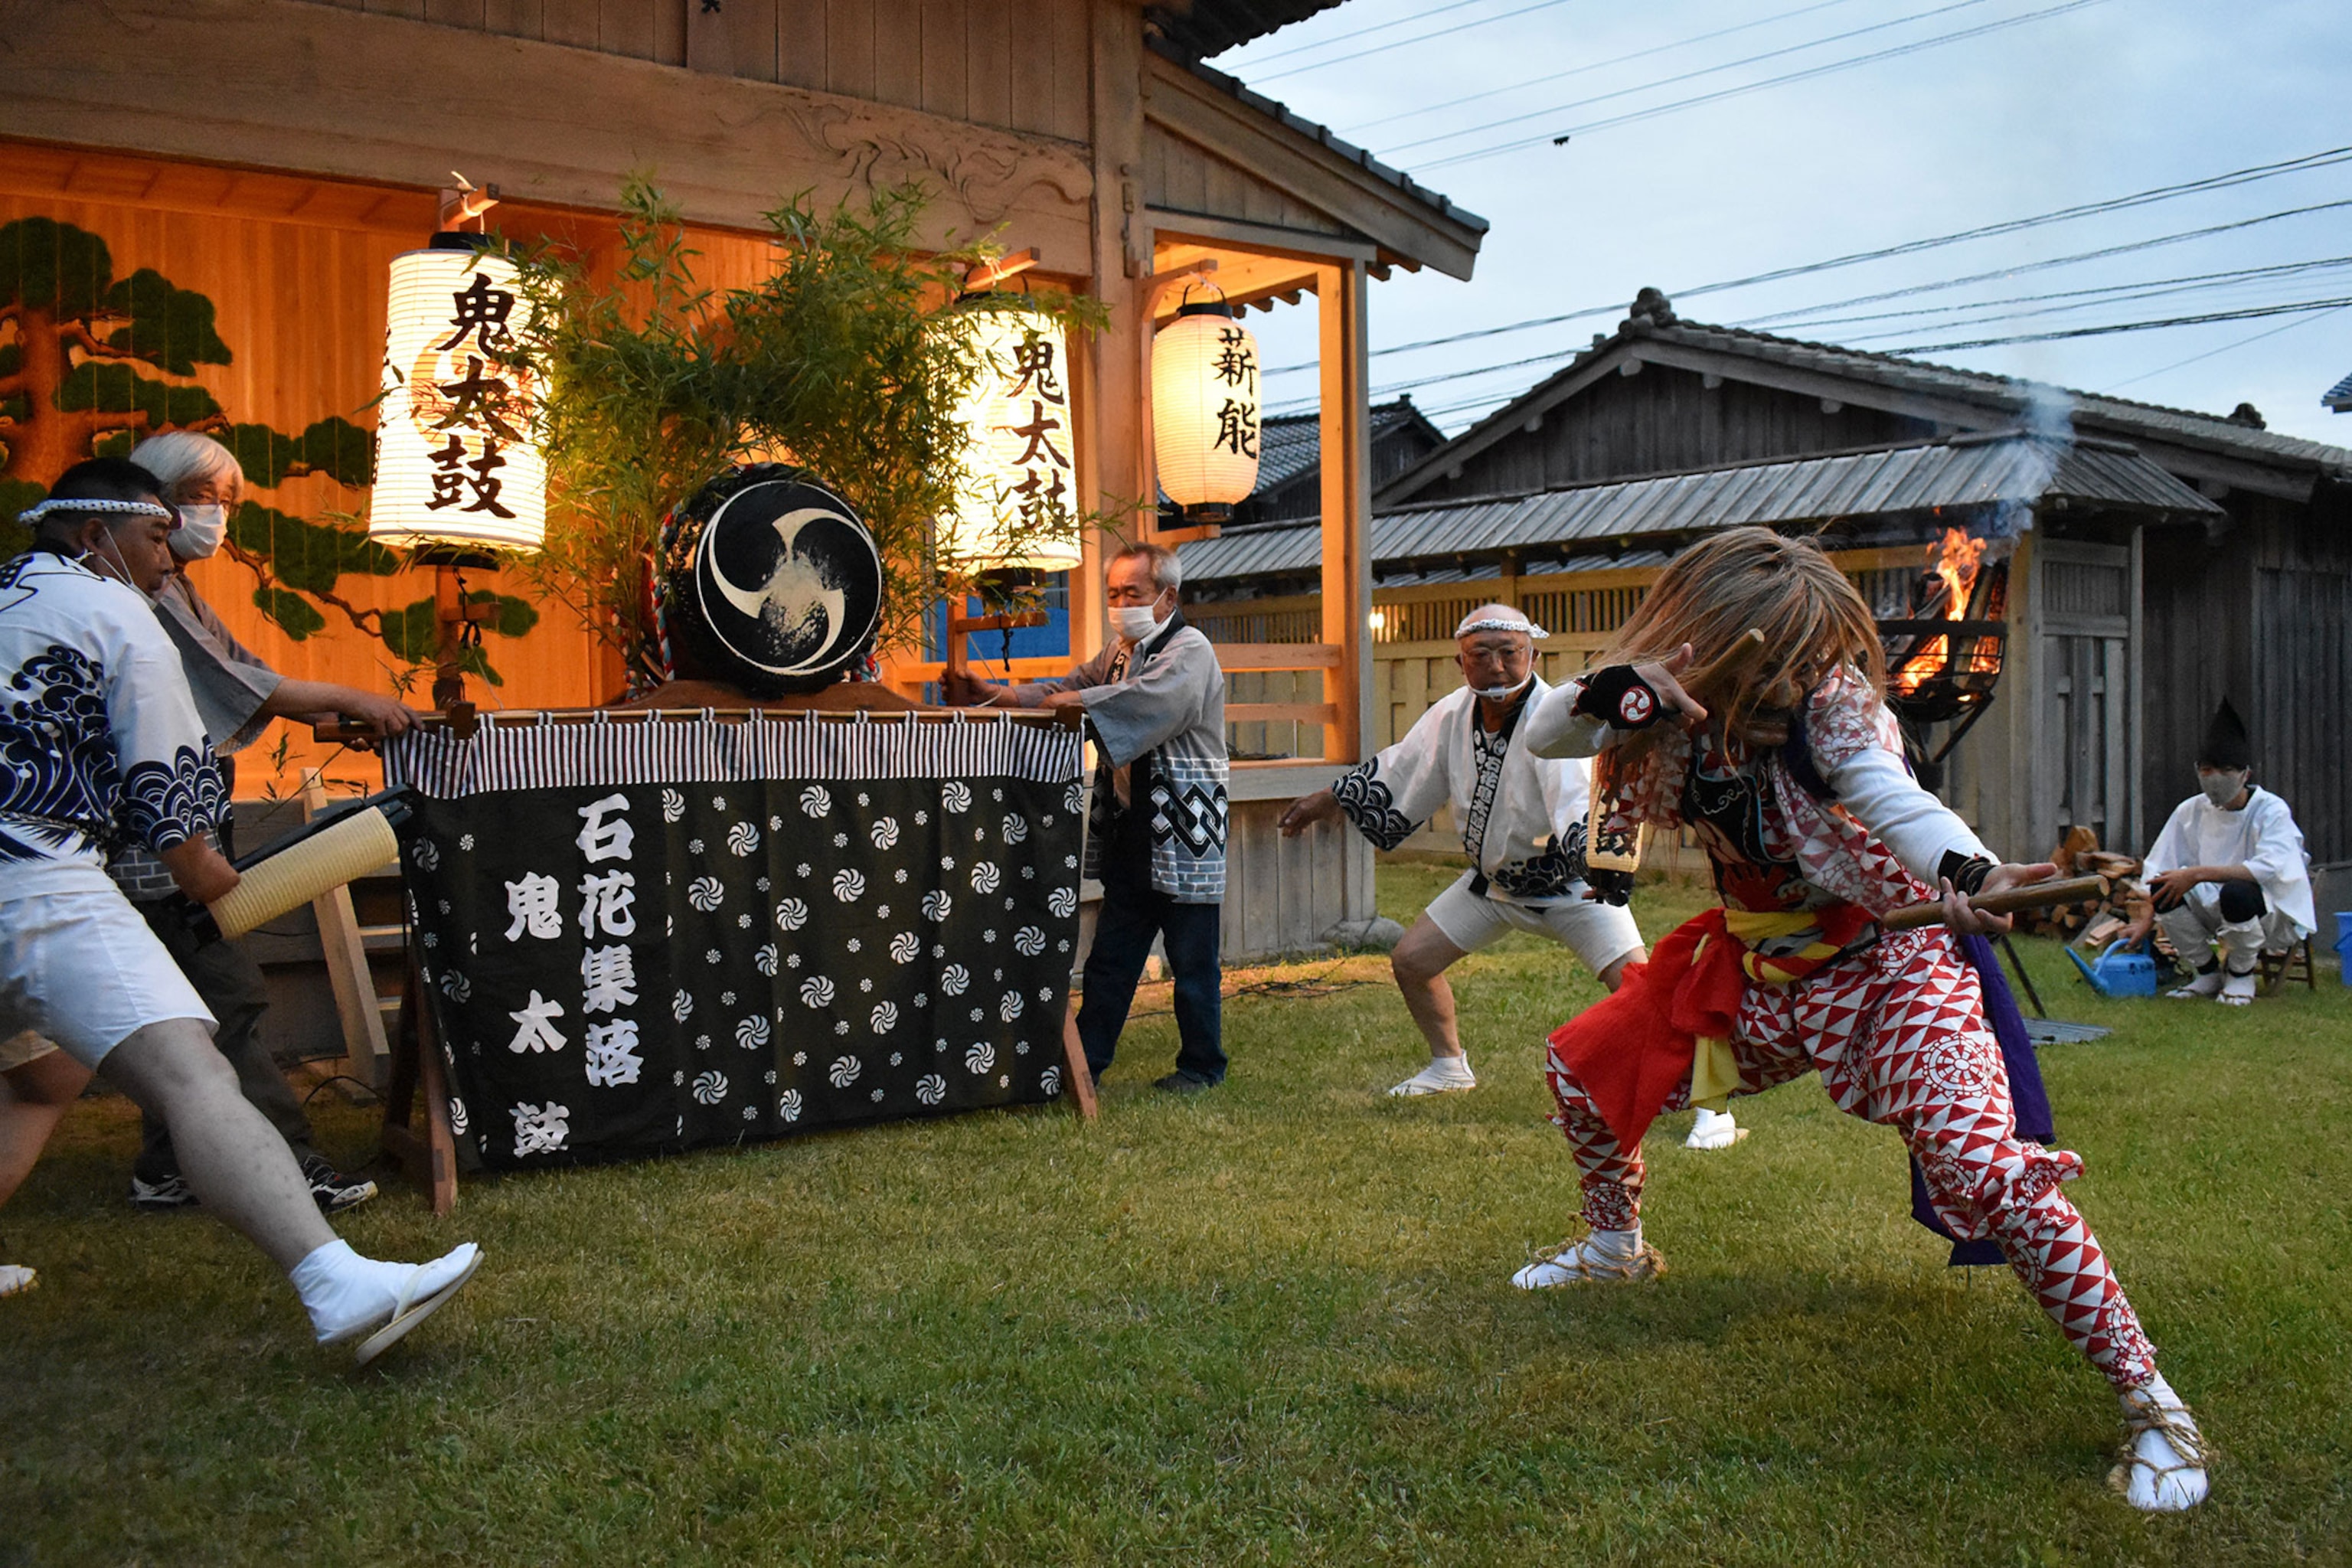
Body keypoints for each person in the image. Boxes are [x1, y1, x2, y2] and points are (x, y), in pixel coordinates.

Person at [1509, 528, 2207, 1512]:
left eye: (1808, 655)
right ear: (1708, 640)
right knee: (1585, 1070)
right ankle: (1614, 1245)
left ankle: (2155, 1404)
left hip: (1890, 963)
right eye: (1775, 659)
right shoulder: (1659, 700)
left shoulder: (1836, 708)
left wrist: (1975, 873)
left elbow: (1892, 796)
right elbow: (1548, 731)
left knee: (1991, 1172)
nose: (1796, 678)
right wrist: (1637, 688)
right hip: (1756, 966)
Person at [0, 459, 478, 1360]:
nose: (171, 557)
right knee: (195, 1074)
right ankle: (333, 1279)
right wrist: (218, 880)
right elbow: (171, 807)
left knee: (43, 1074)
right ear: (95, 529)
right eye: (156, 535)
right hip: (36, 873)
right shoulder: (119, 617)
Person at [1279, 606, 1745, 1144]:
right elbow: (1403, 764)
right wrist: (1330, 798)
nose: (1496, 666)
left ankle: (1714, 1109)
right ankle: (1448, 1065)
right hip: (1493, 885)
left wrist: (1596, 863)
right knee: (1412, 959)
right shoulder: (1452, 713)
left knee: (1641, 992)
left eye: (1509, 652)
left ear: (1533, 656)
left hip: (1572, 886)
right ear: (1461, 663)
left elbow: (1575, 797)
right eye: (1482, 654)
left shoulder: (1557, 721)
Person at [108, 432, 420, 1211]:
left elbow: (244, 676)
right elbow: (244, 684)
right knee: (229, 998)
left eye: (229, 504)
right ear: (149, 503)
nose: (218, 518)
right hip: (159, 843)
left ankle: (168, 1165)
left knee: (181, 1006)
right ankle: (291, 1161)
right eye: (206, 500)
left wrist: (333, 705)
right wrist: (350, 698)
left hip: (178, 832)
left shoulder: (169, 584)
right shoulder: (134, 594)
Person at [943, 543, 1229, 1093]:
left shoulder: (1191, 652)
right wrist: (1001, 695)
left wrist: (1073, 702)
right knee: (1111, 959)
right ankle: (1082, 1065)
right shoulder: (1122, 651)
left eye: (1133, 593)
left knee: (1194, 962)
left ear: (1167, 597)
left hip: (1186, 830)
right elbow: (1064, 688)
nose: (1120, 604)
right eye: (1114, 593)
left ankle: (1202, 1066)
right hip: (1134, 826)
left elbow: (1141, 704)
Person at [2124, 697, 2314, 1004]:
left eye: (2226, 770)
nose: (2216, 778)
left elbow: (2268, 868)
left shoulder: (2271, 810)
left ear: (2245, 775)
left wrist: (2198, 874)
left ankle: (2241, 973)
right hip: (2211, 907)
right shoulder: (2190, 810)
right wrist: (2146, 921)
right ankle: (2207, 972)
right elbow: (2159, 866)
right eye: (2208, 769)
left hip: (2267, 908)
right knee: (2163, 887)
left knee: (2236, 892)